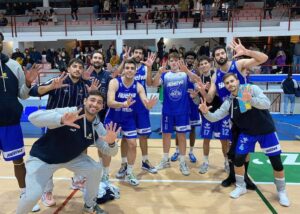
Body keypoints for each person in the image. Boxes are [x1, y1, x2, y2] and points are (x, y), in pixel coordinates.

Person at [16, 90, 120, 214]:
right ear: (85, 101)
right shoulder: (69, 112)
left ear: (102, 106)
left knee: (95, 169)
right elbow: (32, 118)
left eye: (99, 102)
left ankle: (89, 205)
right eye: (92, 100)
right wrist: (60, 119)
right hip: (43, 158)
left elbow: (111, 152)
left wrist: (112, 143)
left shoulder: (98, 126)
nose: (95, 104)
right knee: (32, 196)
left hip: (71, 158)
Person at [199, 73, 290, 207]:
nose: (230, 84)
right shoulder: (229, 101)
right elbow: (215, 116)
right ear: (225, 86)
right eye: (227, 83)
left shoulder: (251, 89)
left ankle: (282, 191)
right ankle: (241, 186)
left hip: (266, 131)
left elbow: (266, 104)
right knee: (238, 159)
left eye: (232, 81)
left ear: (237, 81)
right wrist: (206, 112)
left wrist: (250, 100)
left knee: (276, 162)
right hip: (247, 133)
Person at [29, 58, 100, 207]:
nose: (77, 69)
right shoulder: (57, 80)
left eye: (80, 67)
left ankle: (77, 180)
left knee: (82, 150)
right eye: (74, 66)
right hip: (55, 124)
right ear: (68, 68)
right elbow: (34, 91)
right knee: (49, 158)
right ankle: (47, 191)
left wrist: (93, 92)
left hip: (75, 126)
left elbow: (94, 103)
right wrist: (50, 87)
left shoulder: (85, 86)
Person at [199, 39, 268, 189]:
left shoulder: (239, 65)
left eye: (222, 52)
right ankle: (231, 175)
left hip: (245, 109)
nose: (220, 55)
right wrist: (202, 90)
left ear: (226, 54)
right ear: (214, 58)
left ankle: (245, 178)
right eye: (217, 54)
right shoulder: (215, 76)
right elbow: (210, 98)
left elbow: (263, 59)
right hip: (229, 113)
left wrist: (247, 52)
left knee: (246, 147)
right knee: (229, 147)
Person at [0, 32, 41, 212]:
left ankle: (25, 193)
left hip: (10, 122)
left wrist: (29, 83)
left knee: (18, 161)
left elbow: (23, 94)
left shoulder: (13, 65)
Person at [105, 59, 157, 186]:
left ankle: (129, 172)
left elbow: (144, 99)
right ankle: (104, 174)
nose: (129, 70)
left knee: (132, 144)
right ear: (123, 70)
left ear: (135, 71)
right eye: (127, 68)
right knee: (106, 146)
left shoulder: (138, 86)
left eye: (132, 68)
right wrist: (123, 104)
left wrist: (148, 105)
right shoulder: (114, 82)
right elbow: (110, 102)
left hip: (128, 118)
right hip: (113, 117)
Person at [153, 52, 193, 176]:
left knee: (181, 136)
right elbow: (153, 84)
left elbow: (196, 80)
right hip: (167, 111)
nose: (174, 62)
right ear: (168, 62)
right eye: (172, 60)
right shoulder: (165, 75)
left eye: (176, 60)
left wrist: (188, 71)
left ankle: (182, 161)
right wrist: (159, 72)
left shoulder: (185, 74)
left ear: (180, 62)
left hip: (182, 111)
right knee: (166, 135)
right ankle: (165, 159)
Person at [192, 55, 229, 174]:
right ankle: (206, 162)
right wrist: (194, 97)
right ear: (199, 67)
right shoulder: (198, 80)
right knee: (206, 139)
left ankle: (227, 162)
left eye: (205, 63)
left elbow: (223, 93)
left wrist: (212, 91)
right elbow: (198, 101)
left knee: (224, 140)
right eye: (201, 64)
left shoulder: (218, 76)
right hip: (206, 114)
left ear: (210, 64)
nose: (203, 66)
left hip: (221, 112)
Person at [171, 51, 201, 163]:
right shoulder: (176, 72)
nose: (189, 59)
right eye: (187, 58)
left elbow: (196, 80)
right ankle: (177, 151)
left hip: (192, 103)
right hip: (180, 104)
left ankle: (191, 151)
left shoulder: (194, 72)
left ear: (194, 60)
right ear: (184, 59)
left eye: (191, 58)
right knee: (179, 129)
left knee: (192, 129)